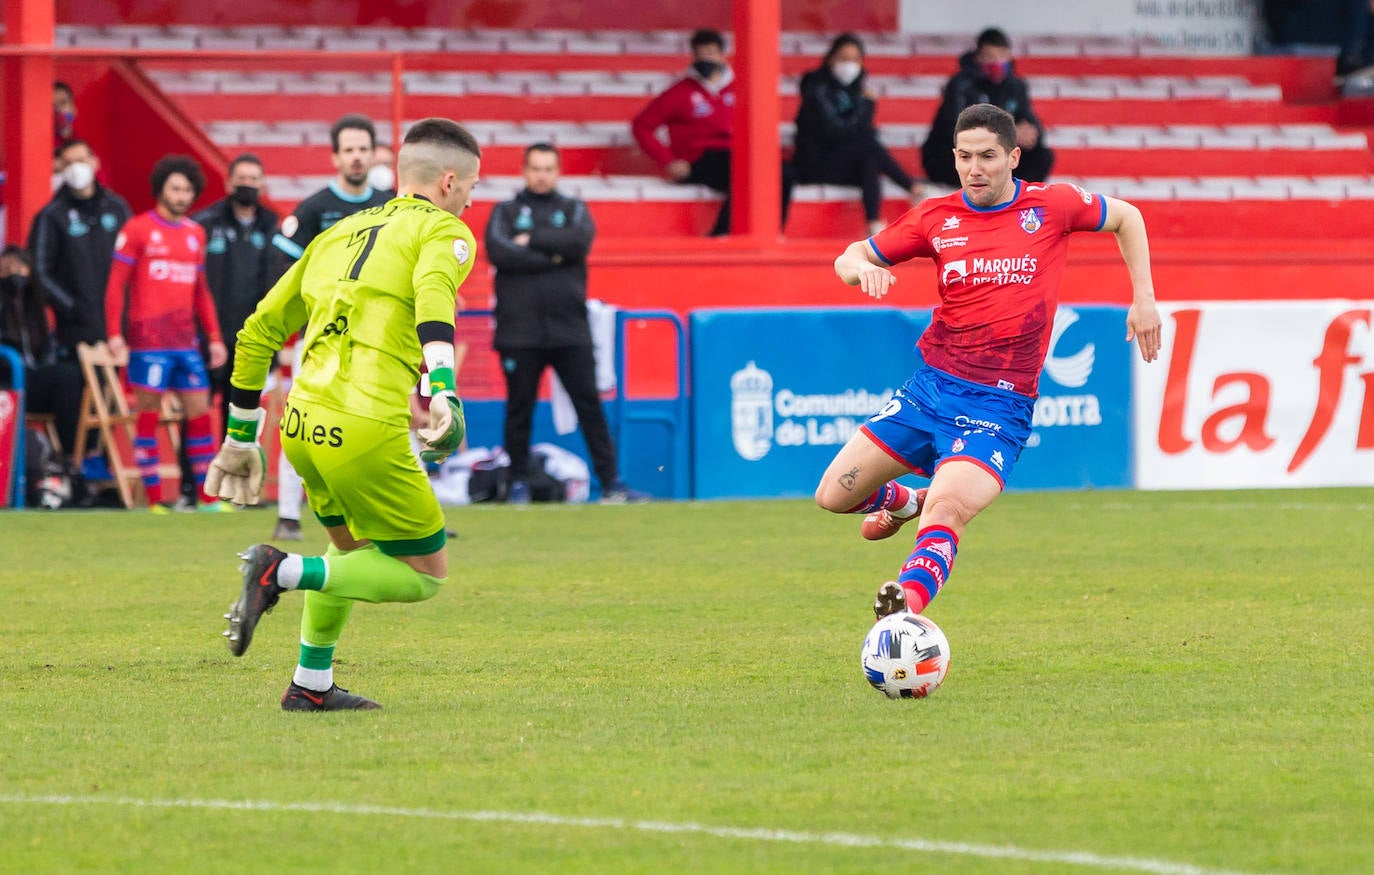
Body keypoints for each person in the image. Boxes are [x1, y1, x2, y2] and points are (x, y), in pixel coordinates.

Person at [819, 103, 1161, 622]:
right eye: (963, 157)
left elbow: (1127, 216)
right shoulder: (936, 217)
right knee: (833, 496)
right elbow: (851, 255)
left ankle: (903, 610)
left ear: (1013, 157)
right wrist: (860, 271)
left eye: (987, 157)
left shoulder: (1053, 205)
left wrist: (1144, 299)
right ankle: (905, 502)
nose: (974, 169)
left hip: (999, 405)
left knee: (949, 509)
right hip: (929, 390)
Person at [206, 117, 481, 712]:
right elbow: (436, 296)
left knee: (351, 554)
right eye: (473, 188)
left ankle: (311, 684)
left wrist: (239, 436)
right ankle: (277, 572)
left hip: (302, 424)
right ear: (451, 180)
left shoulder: (337, 234)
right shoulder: (445, 231)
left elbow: (255, 333)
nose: (470, 200)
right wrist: (444, 389)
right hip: (365, 426)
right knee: (425, 573)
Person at [484, 143, 646, 505]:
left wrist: (532, 242)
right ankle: (518, 483)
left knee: (589, 405)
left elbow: (578, 243)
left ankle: (611, 484)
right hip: (519, 331)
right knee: (519, 408)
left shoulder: (573, 209)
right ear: (524, 171)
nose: (542, 174)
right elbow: (498, 251)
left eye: (548, 168)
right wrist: (554, 255)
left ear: (558, 173)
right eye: (536, 168)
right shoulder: (505, 211)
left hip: (570, 329)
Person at [269, 113, 392, 541]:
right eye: (349, 150)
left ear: (374, 153)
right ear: (336, 156)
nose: (357, 157)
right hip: (321, 338)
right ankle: (288, 513)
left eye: (363, 149)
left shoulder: (391, 204)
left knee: (389, 422)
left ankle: (398, 515)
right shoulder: (315, 209)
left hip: (376, 338)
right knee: (302, 423)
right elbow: (284, 267)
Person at [104, 154, 229, 512]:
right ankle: (156, 500)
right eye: (175, 188)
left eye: (187, 190)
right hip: (148, 343)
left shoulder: (195, 234)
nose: (182, 195)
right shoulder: (137, 229)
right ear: (161, 190)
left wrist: (215, 336)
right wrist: (115, 333)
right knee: (149, 415)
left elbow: (201, 291)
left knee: (201, 413)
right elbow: (116, 286)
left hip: (186, 343)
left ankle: (207, 499)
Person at [631, 27, 793, 237]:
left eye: (710, 53)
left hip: (736, 154)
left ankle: (772, 233)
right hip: (699, 159)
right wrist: (669, 161)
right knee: (743, 171)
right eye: (700, 54)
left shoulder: (741, 89)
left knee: (785, 172)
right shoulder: (680, 92)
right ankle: (723, 234)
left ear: (721, 54)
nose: (705, 59)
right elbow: (642, 126)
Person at [793, 33, 924, 236]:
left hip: (844, 163)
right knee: (868, 146)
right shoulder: (816, 90)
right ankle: (912, 188)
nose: (849, 65)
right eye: (844, 58)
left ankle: (873, 223)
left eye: (855, 60)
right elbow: (836, 132)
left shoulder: (856, 91)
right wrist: (867, 107)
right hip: (816, 164)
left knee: (869, 159)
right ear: (831, 59)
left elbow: (859, 132)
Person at [191, 153, 280, 438]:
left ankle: (234, 476)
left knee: (240, 414)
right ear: (229, 184)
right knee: (196, 413)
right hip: (209, 336)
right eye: (241, 179)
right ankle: (193, 482)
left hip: (250, 339)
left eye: (253, 180)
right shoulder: (204, 223)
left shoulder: (272, 226)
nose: (247, 185)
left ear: (263, 184)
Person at [28, 139, 132, 363]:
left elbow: (135, 261)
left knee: (115, 396)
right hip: (74, 333)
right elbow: (39, 271)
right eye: (68, 163)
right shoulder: (51, 216)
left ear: (95, 162)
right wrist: (72, 308)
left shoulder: (118, 207)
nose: (76, 167)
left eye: (81, 160)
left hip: (119, 328)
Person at [921, 28, 1054, 189]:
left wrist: (1031, 134)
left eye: (1002, 56)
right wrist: (1009, 134)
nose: (996, 63)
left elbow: (1032, 126)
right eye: (990, 57)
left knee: (1042, 156)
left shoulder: (1016, 86)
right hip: (954, 155)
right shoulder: (961, 85)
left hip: (995, 153)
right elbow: (956, 130)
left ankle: (1017, 199)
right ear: (978, 58)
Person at [0, 245, 85, 465]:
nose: (14, 272)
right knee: (64, 377)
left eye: (20, 266)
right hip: (8, 381)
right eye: (7, 268)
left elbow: (47, 350)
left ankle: (70, 459)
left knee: (72, 376)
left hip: (33, 379)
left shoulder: (36, 309)